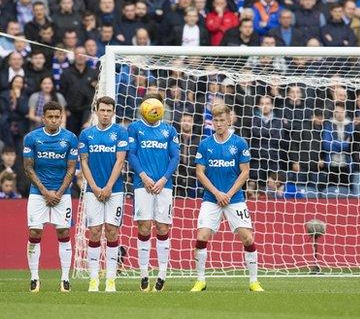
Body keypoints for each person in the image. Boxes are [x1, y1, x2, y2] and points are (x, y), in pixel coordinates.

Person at [190, 103, 263, 292]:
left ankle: (254, 281)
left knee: (247, 238)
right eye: (216, 120)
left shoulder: (239, 143)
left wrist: (228, 194)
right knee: (202, 236)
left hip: (235, 198)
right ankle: (200, 280)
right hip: (211, 197)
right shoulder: (206, 144)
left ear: (229, 120)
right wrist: (217, 193)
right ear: (212, 122)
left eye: (222, 120)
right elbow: (200, 172)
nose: (219, 123)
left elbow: (245, 172)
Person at [23, 101, 78, 293]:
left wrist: (59, 192)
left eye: (57, 116)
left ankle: (65, 279)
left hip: (62, 194)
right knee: (35, 233)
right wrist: (45, 191)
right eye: (50, 117)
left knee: (63, 233)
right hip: (38, 194)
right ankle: (34, 278)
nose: (54, 120)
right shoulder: (32, 138)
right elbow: (28, 167)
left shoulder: (70, 138)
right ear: (43, 118)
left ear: (61, 117)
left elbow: (71, 168)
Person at [127, 94, 180, 292]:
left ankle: (162, 274)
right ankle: (143, 274)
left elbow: (175, 157)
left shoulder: (169, 130)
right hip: (143, 185)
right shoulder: (134, 128)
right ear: (144, 108)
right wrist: (144, 176)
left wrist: (164, 179)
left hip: (164, 185)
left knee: (163, 228)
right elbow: (131, 154)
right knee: (144, 227)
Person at [78, 96, 128, 292]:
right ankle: (93, 279)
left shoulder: (120, 133)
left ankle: (111, 279)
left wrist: (108, 186)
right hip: (93, 191)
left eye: (109, 111)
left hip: (114, 190)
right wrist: (95, 187)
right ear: (96, 110)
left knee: (112, 231)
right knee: (95, 231)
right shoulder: (86, 135)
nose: (106, 114)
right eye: (103, 110)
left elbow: (120, 161)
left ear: (113, 112)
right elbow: (84, 162)